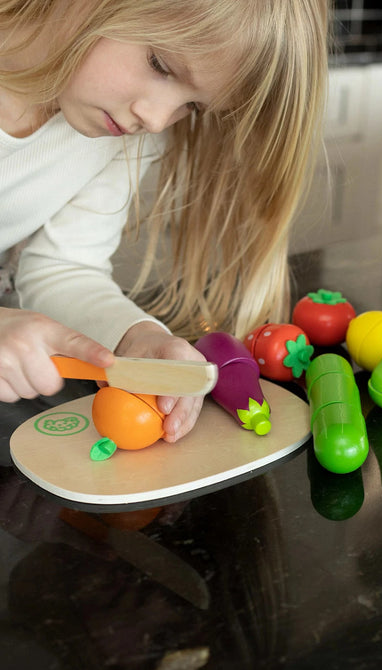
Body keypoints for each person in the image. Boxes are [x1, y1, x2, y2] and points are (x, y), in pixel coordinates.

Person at [0, 0, 329, 442]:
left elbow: (63, 267)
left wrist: (135, 337)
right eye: (159, 63)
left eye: (191, 106)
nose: (155, 120)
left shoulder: (112, 130)